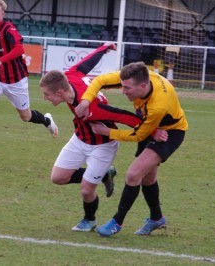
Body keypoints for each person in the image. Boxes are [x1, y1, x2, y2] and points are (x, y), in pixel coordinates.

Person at [40, 43, 166, 232]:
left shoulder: (92, 109)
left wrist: (152, 130)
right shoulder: (70, 76)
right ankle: (104, 175)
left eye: (46, 95)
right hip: (80, 138)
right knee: (58, 177)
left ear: (59, 93)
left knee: (86, 189)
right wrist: (103, 49)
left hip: (103, 146)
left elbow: (122, 115)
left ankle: (89, 220)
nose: (45, 98)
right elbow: (85, 63)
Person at [75, 61, 188, 237]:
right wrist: (85, 101)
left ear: (143, 85)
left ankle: (117, 222)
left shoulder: (158, 105)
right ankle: (157, 218)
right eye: (122, 85)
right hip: (149, 124)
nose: (123, 91)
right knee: (147, 178)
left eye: (127, 88)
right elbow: (98, 81)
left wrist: (108, 132)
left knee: (133, 175)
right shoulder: (137, 78)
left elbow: (139, 135)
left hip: (170, 132)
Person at [0, 0, 58, 156]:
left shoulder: (8, 29)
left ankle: (47, 121)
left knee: (26, 116)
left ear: (3, 13)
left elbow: (20, 48)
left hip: (16, 81)